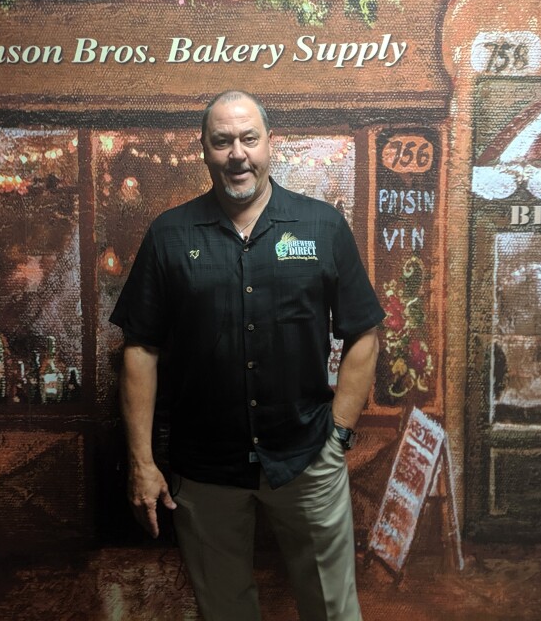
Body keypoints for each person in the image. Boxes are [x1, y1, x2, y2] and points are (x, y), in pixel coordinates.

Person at [111, 90, 382, 621]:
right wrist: (142, 463)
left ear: (270, 145)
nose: (238, 153)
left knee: (333, 610)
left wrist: (339, 434)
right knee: (225, 611)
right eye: (223, 141)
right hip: (205, 470)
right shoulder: (170, 235)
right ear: (204, 151)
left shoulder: (321, 226)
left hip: (307, 458)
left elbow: (364, 334)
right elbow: (140, 350)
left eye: (249, 139)